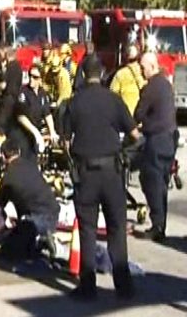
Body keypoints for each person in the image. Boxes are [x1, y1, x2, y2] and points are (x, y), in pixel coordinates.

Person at [63, 57, 139, 301]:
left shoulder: (74, 103)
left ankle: (87, 287)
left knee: (87, 230)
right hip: (112, 172)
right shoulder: (114, 100)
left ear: (83, 75)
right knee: (117, 227)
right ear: (103, 72)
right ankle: (123, 286)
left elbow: (65, 142)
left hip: (85, 174)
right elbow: (136, 135)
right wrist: (123, 152)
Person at [135, 52, 177, 242]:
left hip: (157, 140)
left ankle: (157, 226)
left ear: (151, 66)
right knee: (161, 183)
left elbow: (138, 113)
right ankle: (161, 225)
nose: (141, 71)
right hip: (169, 139)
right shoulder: (166, 85)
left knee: (151, 181)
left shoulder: (151, 87)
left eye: (143, 68)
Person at [0, 139, 60, 247]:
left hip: (35, 220)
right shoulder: (31, 166)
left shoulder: (8, 178)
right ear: (19, 152)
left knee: (9, 244)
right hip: (54, 214)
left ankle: (40, 241)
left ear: (2, 156)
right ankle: (42, 238)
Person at [9, 65, 58, 161]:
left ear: (40, 80)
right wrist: (36, 133)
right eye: (30, 75)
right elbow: (21, 116)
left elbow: (47, 113)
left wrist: (52, 131)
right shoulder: (23, 92)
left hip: (35, 135)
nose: (31, 79)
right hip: (22, 134)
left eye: (35, 77)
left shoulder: (42, 94)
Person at [110, 45, 146, 119]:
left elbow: (112, 96)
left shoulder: (120, 74)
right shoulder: (144, 73)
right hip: (140, 119)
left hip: (125, 119)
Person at [0, 48, 22, 136]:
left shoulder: (10, 67)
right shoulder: (18, 67)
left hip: (8, 98)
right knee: (11, 124)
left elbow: (4, 85)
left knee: (1, 124)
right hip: (16, 98)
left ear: (7, 55)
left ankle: (0, 144)